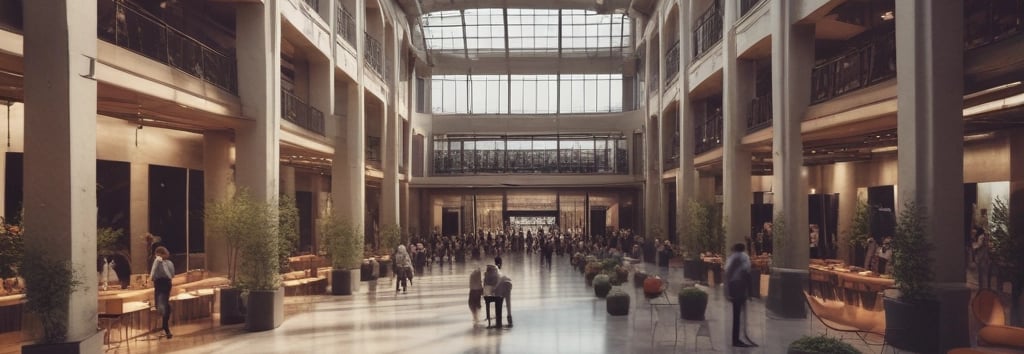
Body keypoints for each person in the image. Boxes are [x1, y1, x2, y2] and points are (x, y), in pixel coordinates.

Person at [724, 243, 755, 347]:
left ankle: (737, 338)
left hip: (735, 286)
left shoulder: (733, 257)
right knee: (737, 315)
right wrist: (750, 292)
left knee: (737, 314)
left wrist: (727, 291)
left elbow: (728, 274)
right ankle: (736, 340)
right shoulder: (743, 257)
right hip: (739, 286)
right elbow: (747, 274)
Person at [149, 246, 174, 339]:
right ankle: (165, 326)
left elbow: (153, 275)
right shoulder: (170, 263)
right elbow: (172, 275)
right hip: (167, 284)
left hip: (160, 284)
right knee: (165, 303)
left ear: (159, 254)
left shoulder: (158, 262)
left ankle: (165, 327)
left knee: (160, 305)